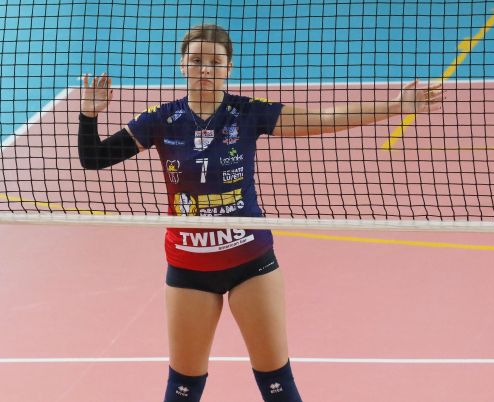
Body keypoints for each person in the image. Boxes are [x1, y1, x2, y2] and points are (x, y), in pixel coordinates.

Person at [78, 24, 444, 402]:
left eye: (215, 62)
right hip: (189, 265)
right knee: (182, 388)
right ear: (182, 65)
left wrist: (397, 106)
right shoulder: (160, 119)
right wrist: (88, 115)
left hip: (250, 262)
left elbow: (323, 118)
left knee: (277, 384)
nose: (205, 69)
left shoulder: (247, 113)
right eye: (197, 60)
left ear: (229, 67)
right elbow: (94, 158)